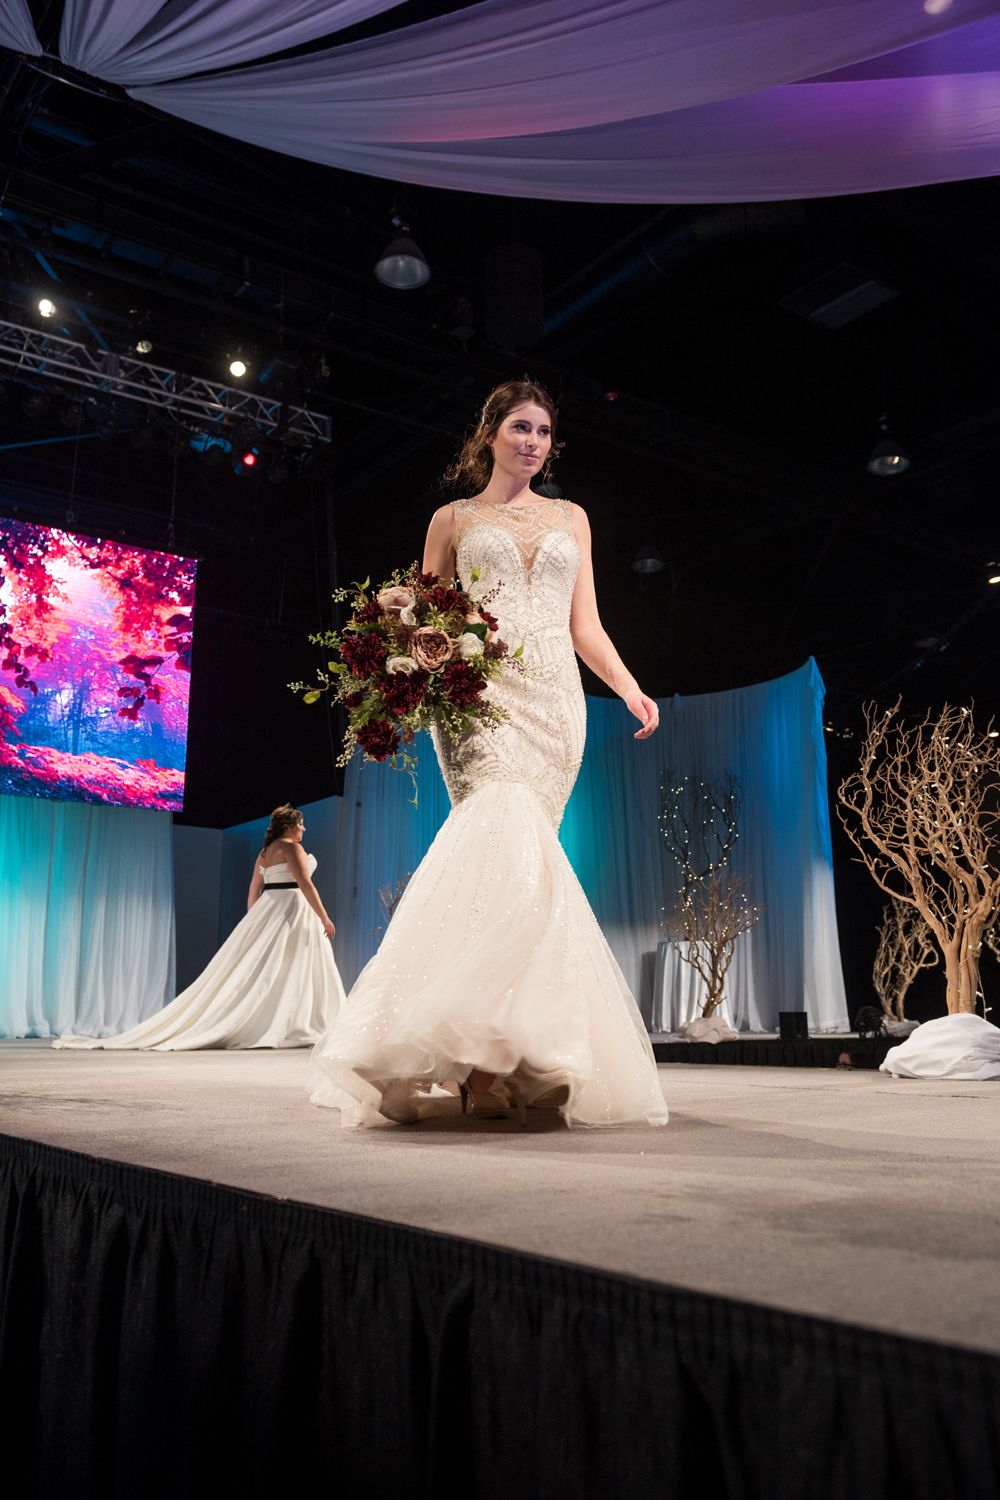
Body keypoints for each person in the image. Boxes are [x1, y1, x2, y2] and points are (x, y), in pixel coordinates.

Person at [309, 379, 668, 1127]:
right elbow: (415, 617)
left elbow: (586, 625)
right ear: (490, 433)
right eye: (519, 427)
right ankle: (473, 1056)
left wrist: (630, 687)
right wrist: (404, 670)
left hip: (557, 705)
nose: (532, 441)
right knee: (496, 835)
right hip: (479, 698)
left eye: (542, 431)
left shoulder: (574, 519)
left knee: (528, 869)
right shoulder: (453, 518)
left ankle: (508, 1057)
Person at [55, 804, 344, 1050]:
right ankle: (291, 1021)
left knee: (269, 969)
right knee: (289, 967)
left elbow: (252, 892)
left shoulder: (265, 852)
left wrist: (256, 924)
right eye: (301, 825)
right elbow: (305, 884)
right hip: (291, 910)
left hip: (270, 910)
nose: (304, 830)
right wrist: (324, 916)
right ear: (290, 826)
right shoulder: (292, 848)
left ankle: (281, 1019)